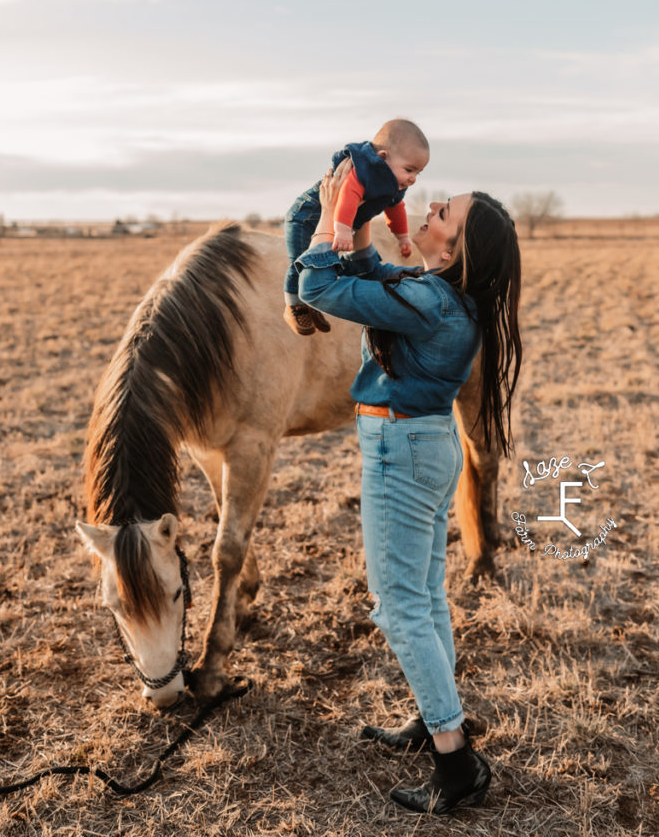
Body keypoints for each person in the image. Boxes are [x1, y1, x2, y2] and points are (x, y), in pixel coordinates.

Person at [295, 160, 522, 816]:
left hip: (401, 451)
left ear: (453, 249)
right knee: (423, 594)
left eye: (441, 214)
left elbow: (318, 284)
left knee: (397, 606)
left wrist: (333, 223)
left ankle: (454, 762)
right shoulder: (441, 296)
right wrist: (363, 224)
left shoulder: (429, 303)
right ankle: (433, 717)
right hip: (424, 448)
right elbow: (372, 280)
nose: (427, 212)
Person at [283, 118, 430, 336]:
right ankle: (293, 305)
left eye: (418, 173)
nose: (413, 179)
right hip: (307, 217)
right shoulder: (364, 170)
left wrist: (402, 236)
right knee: (301, 262)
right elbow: (349, 195)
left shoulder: (392, 181)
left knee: (327, 265)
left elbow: (396, 206)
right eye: (409, 169)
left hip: (335, 219)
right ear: (382, 158)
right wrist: (342, 229)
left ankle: (311, 303)